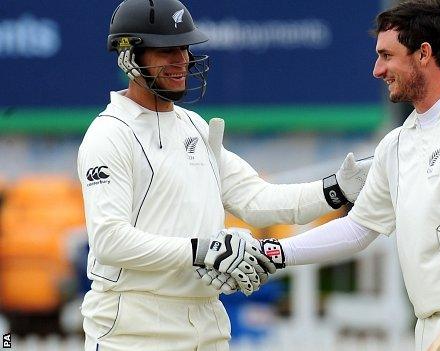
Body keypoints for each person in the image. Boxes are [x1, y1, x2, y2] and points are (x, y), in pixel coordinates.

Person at [208, 1, 440, 350]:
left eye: (386, 55)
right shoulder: (396, 144)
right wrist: (273, 252)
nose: (377, 70)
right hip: (433, 325)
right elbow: (358, 229)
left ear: (423, 54)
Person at [77, 0, 371, 350]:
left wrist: (335, 190)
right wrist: (203, 249)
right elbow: (110, 242)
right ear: (129, 56)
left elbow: (256, 199)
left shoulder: (194, 127)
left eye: (184, 48)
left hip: (207, 323)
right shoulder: (109, 134)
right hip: (133, 329)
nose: (181, 60)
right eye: (166, 50)